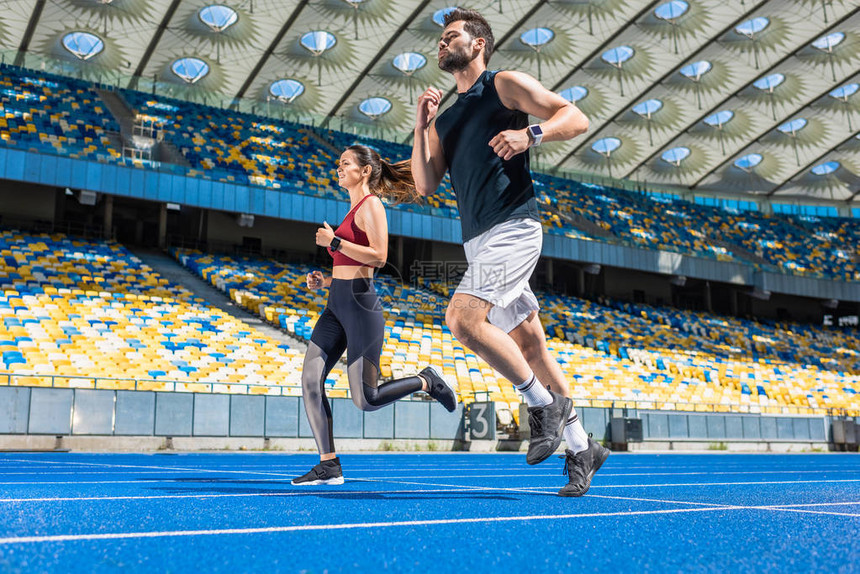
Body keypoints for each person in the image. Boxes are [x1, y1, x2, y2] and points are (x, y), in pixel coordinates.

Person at [411, 8, 609, 497]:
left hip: (514, 227)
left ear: (478, 44)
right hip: (479, 238)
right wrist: (421, 127)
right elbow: (423, 183)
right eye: (440, 38)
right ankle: (583, 448)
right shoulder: (447, 116)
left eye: (451, 35)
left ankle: (542, 406)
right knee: (531, 345)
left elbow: (575, 116)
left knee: (461, 318)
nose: (442, 43)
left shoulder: (503, 84)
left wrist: (530, 134)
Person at [292, 144, 457, 486]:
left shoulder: (372, 206)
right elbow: (349, 266)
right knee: (310, 381)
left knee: (366, 399)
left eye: (345, 163)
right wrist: (324, 280)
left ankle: (426, 380)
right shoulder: (351, 210)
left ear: (364, 171)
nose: (338, 168)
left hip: (361, 311)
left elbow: (379, 257)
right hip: (335, 307)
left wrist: (334, 242)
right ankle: (328, 464)